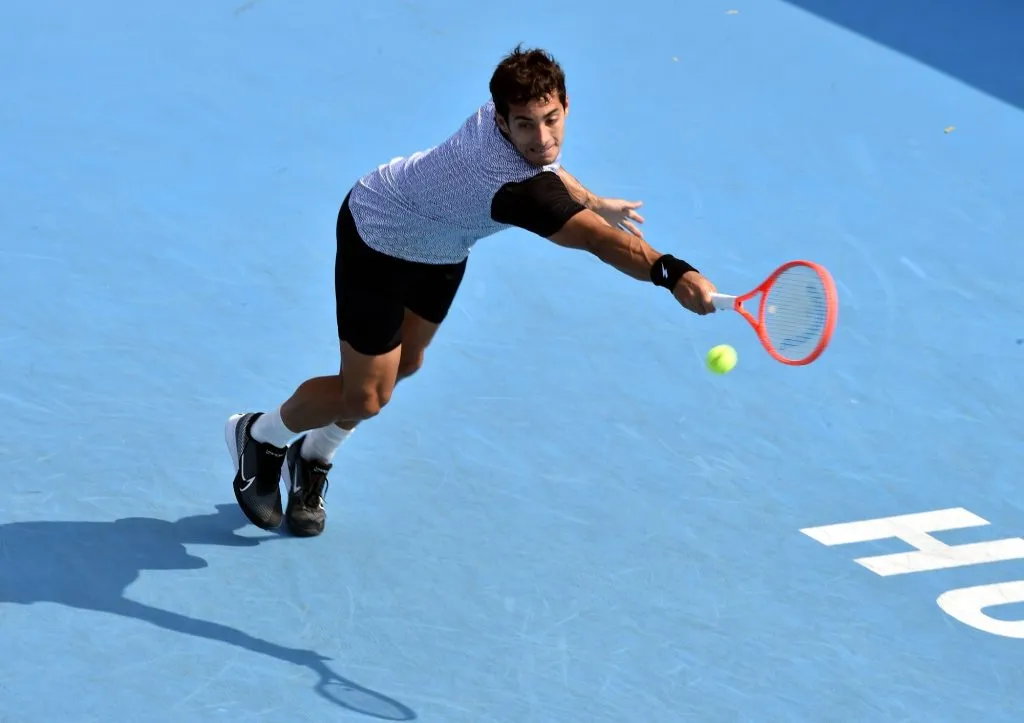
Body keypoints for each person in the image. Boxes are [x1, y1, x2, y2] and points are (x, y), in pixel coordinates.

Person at [225, 45, 718, 537]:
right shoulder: (516, 191)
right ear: (502, 123)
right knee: (368, 395)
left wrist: (589, 199)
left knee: (407, 365)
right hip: (377, 235)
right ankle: (261, 435)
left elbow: (547, 168)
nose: (541, 136)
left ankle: (313, 455)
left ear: (565, 103)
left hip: (442, 247)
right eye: (525, 125)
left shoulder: (509, 115)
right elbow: (598, 240)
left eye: (550, 118)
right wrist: (673, 273)